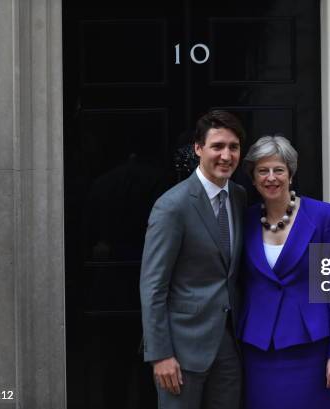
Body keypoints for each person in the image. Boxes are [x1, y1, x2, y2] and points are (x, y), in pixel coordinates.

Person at [140, 110, 247, 409]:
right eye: (217, 146)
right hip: (181, 350)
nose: (226, 155)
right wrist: (160, 354)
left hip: (228, 347)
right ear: (198, 148)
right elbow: (153, 286)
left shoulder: (239, 197)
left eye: (233, 147)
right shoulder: (172, 206)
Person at [238, 135, 330, 409]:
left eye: (279, 169)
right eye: (263, 170)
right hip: (258, 349)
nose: (271, 177)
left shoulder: (324, 216)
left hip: (310, 349)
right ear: (253, 178)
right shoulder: (245, 219)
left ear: (291, 174)